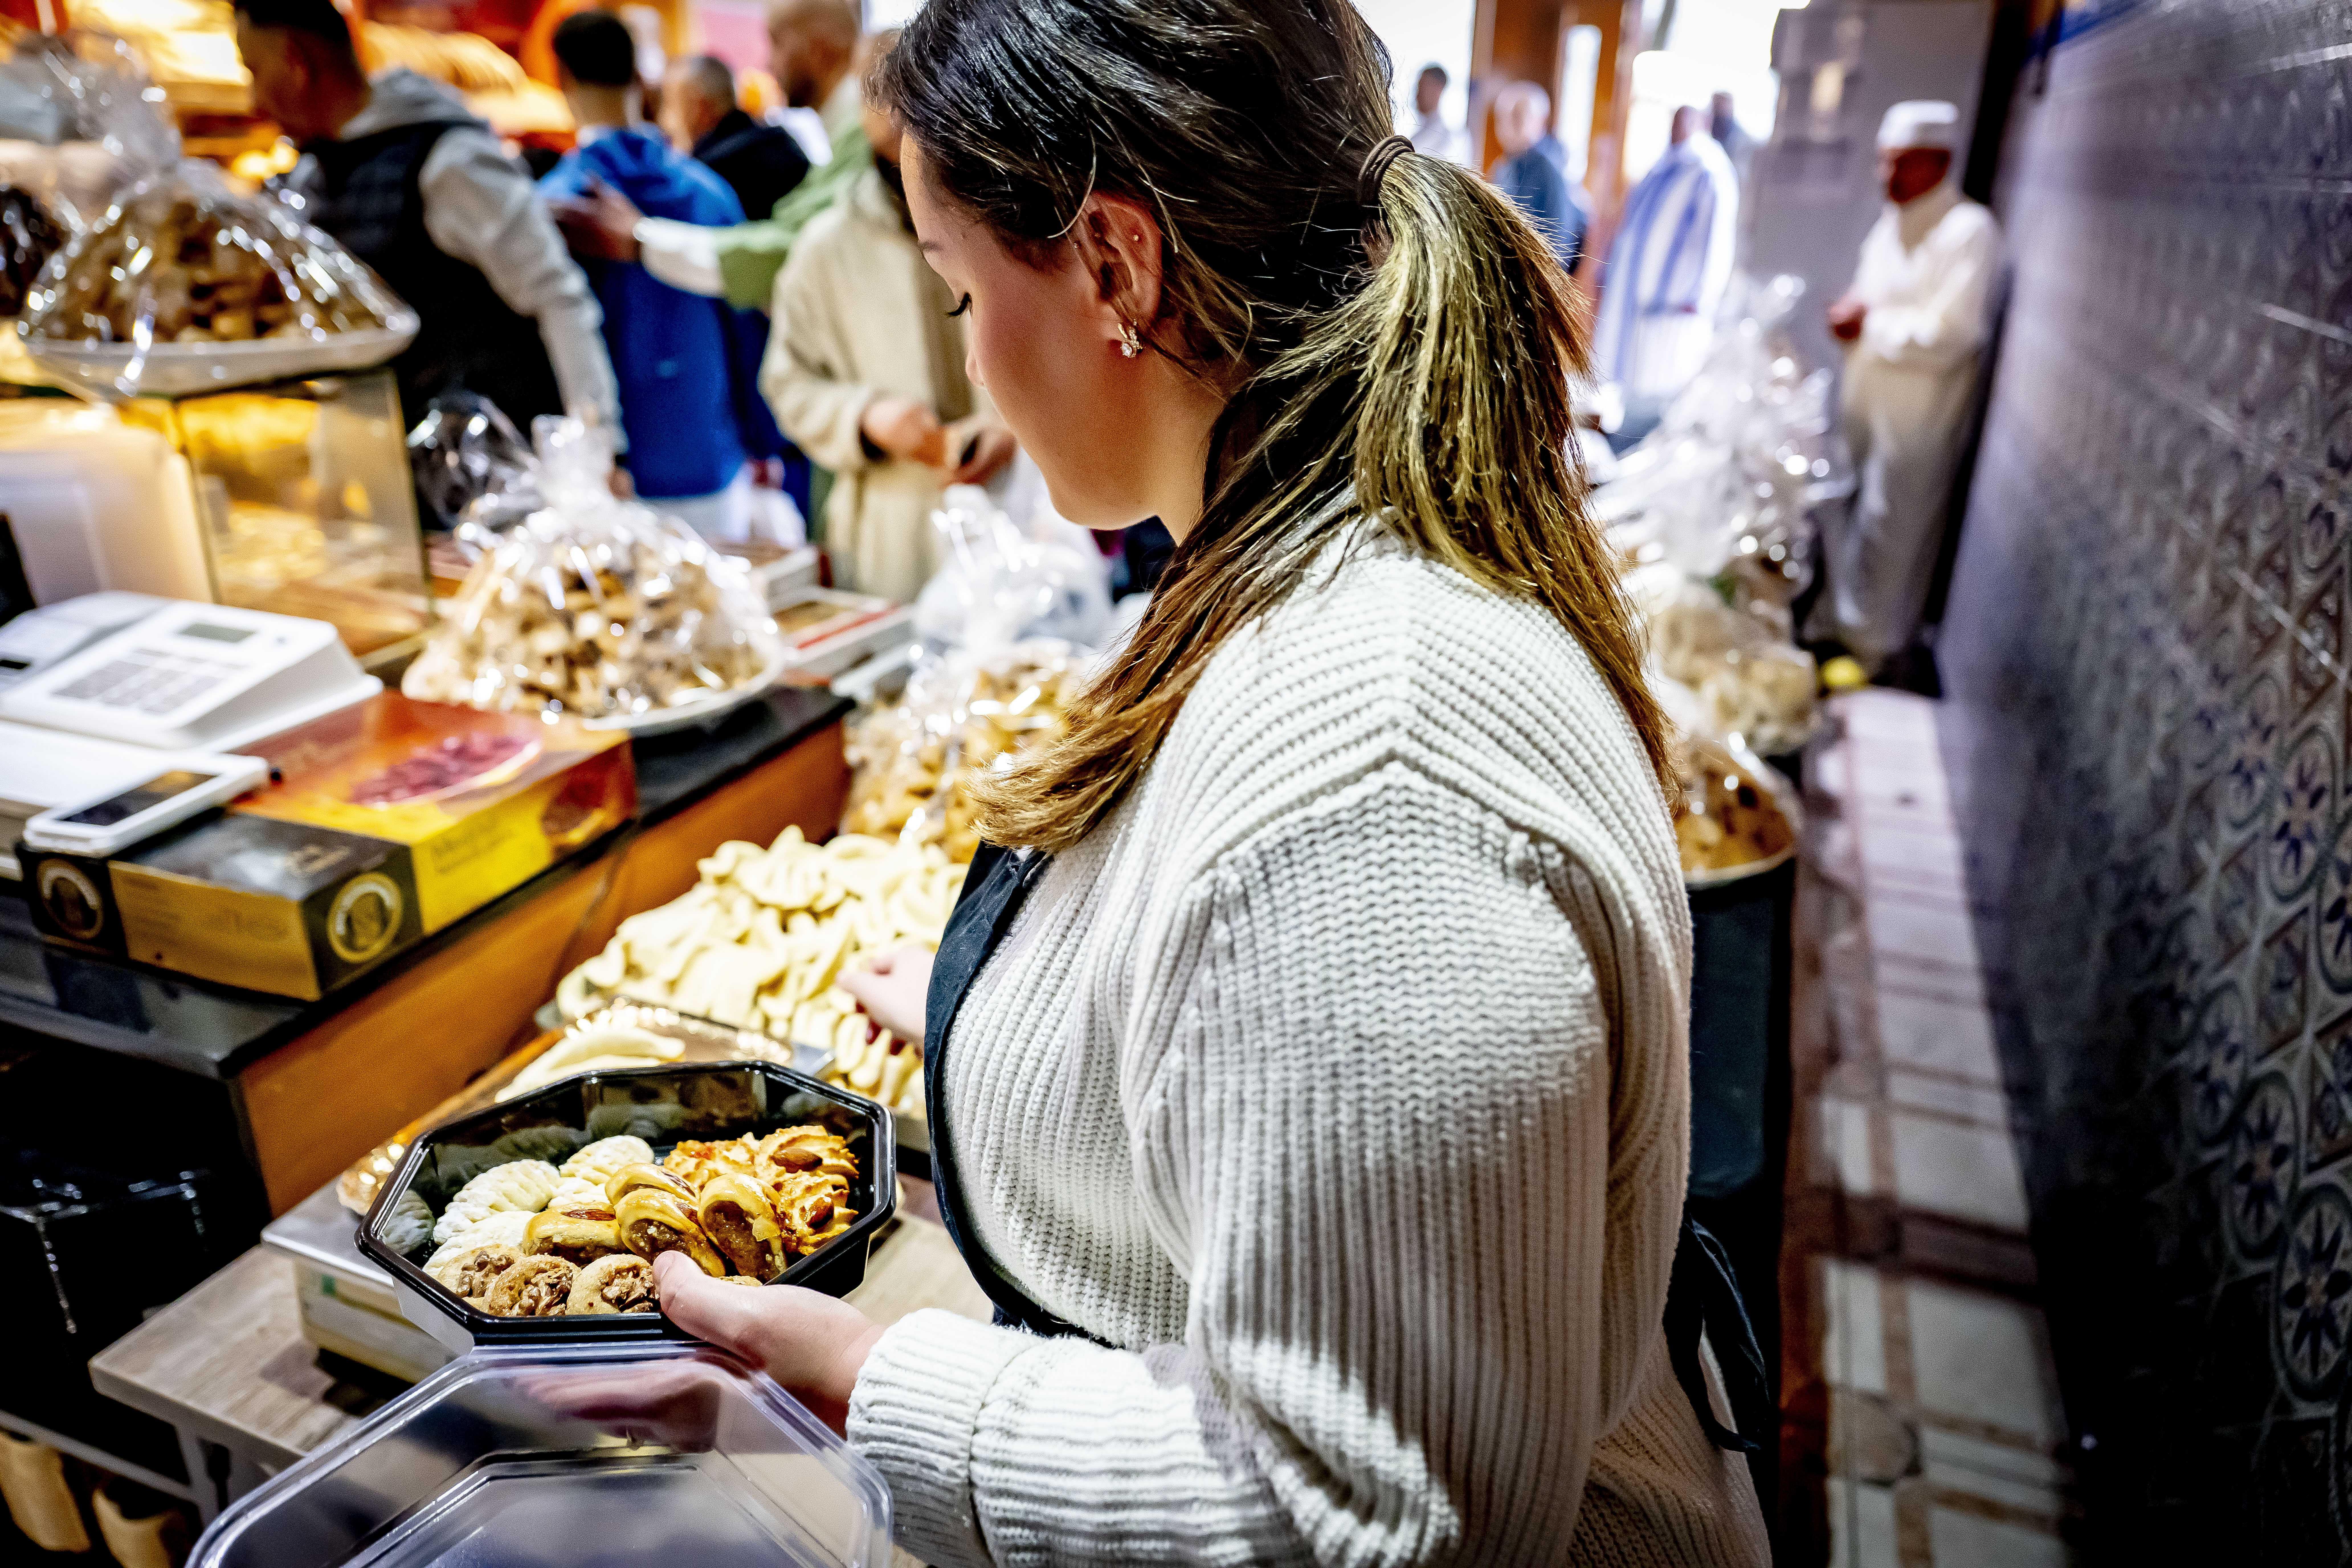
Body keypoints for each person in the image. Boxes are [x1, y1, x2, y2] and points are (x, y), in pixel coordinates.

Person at [649, 3, 1773, 1563]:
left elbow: (1374, 1516)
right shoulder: (1307, 548)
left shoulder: (1370, 779)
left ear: (1114, 266)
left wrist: (871, 1379)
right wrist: (1033, 1015)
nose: (972, 353)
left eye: (964, 288)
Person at [232, 0, 619, 440]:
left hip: (492, 465)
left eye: (254, 71)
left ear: (297, 62)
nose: (254, 101)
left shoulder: (449, 161)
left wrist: (600, 444)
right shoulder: (315, 174)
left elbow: (559, 298)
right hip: (393, 459)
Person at [759, 47, 1014, 601]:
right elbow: (787, 380)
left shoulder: (1008, 221)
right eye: (892, 154)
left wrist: (1013, 424)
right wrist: (866, 417)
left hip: (1015, 502)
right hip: (893, 524)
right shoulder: (827, 246)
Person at [538, 10, 768, 534]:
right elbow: (747, 325)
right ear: (640, 80)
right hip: (713, 458)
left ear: (562, 80)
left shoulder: (554, 207)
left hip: (608, 476)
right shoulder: (709, 192)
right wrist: (763, 442)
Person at [1816, 99, 2000, 671]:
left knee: (1893, 526)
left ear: (1940, 162)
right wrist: (1851, 315)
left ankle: (1871, 651)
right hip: (1866, 405)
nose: (1888, 177)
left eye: (1904, 164)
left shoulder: (1968, 231)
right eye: (1884, 162)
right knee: (1846, 515)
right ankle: (1834, 627)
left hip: (1917, 417)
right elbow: (1874, 298)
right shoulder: (1891, 223)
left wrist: (1869, 324)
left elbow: (1954, 333)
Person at [550, 0, 868, 314]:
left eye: (777, 42)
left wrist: (642, 240)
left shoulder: (559, 200)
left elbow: (789, 254)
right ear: (637, 79)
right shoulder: (713, 190)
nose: (769, 65)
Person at [1591, 103, 1740, 445]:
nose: (1678, 126)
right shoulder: (1662, 167)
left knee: (1656, 405)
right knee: (1630, 396)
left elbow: (1715, 244)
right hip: (1638, 309)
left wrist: (1698, 299)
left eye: (1686, 118)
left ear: (1701, 121)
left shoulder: (1708, 172)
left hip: (1671, 315)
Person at [657, 53, 810, 223]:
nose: (664, 121)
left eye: (670, 106)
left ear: (699, 108)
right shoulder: (781, 141)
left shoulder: (700, 179)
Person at [1490, 80, 1589, 272]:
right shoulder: (1503, 167)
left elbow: (1559, 245)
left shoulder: (1551, 170)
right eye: (1502, 118)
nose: (1508, 126)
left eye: (1517, 117)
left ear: (1539, 121)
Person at [1406, 62, 1468, 164]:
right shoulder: (1425, 129)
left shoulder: (1437, 134)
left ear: (1437, 90)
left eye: (1421, 87)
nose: (1416, 95)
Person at [1708, 90, 1756, 188]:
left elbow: (1741, 172)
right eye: (1716, 107)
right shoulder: (1705, 131)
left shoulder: (1742, 139)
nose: (1719, 111)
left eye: (1722, 107)